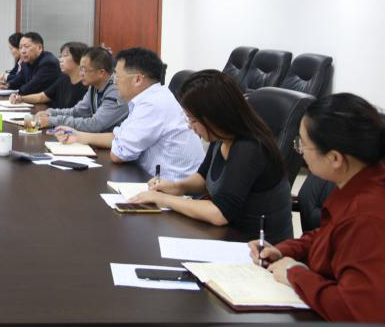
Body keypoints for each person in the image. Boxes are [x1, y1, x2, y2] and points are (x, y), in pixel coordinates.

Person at [248, 93, 385, 322]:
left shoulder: (367, 215)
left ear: (335, 158)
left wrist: (295, 274)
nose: (299, 150)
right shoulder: (360, 183)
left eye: (303, 143)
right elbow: (330, 235)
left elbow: (357, 310)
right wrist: (285, 250)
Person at [129, 70, 293, 243]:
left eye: (193, 120)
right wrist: (178, 187)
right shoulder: (222, 136)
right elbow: (203, 178)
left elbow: (219, 214)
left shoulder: (248, 148)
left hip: (258, 247)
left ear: (213, 117)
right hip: (227, 235)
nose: (190, 126)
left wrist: (164, 199)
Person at [54, 47, 203, 181]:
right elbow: (119, 136)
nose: (114, 82)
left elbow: (119, 154)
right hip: (152, 180)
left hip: (174, 190)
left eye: (117, 76)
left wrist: (114, 141)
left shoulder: (152, 104)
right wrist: (79, 136)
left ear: (137, 79)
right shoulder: (149, 98)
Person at [35, 46, 127, 132]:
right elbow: (77, 112)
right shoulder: (94, 86)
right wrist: (50, 113)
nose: (80, 74)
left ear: (101, 72)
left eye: (84, 70)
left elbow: (95, 124)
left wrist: (52, 121)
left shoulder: (116, 91)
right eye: (80, 69)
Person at [9, 41, 87, 109]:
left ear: (80, 59)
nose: (60, 60)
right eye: (60, 56)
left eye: (65, 56)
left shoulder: (87, 86)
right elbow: (42, 97)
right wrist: (21, 98)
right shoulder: (64, 78)